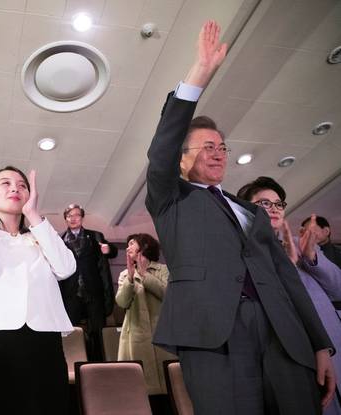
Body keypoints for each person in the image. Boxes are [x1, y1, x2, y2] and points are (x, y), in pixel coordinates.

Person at [145, 20, 335, 414]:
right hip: (216, 340)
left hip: (284, 335)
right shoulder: (170, 199)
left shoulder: (251, 211)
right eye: (205, 147)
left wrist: (319, 344)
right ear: (181, 160)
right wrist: (200, 73)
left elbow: (287, 277)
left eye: (222, 147)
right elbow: (161, 146)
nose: (217, 153)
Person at [0, 159, 76, 415]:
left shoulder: (41, 233)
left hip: (42, 335)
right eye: (5, 183)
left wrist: (33, 215)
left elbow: (66, 268)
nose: (15, 188)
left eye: (22, 185)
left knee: (45, 404)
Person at [237, 176, 341, 415]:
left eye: (278, 203)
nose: (274, 208)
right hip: (294, 355)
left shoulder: (300, 245)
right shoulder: (242, 254)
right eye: (264, 203)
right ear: (246, 210)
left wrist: (312, 259)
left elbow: (338, 289)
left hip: (330, 345)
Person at [115, 233, 175, 413]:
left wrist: (144, 275)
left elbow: (168, 296)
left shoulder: (163, 270)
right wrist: (131, 279)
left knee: (167, 387)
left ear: (145, 246)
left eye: (131, 243)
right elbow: (122, 302)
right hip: (135, 334)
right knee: (140, 390)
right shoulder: (125, 274)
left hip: (161, 333)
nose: (127, 248)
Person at [59, 203, 118, 360]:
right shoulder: (59, 240)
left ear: (82, 218)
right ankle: (73, 361)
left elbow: (112, 251)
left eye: (77, 215)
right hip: (70, 292)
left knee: (97, 331)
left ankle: (99, 363)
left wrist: (108, 249)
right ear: (65, 219)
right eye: (69, 216)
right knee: (71, 330)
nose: (73, 218)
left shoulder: (95, 236)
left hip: (93, 289)